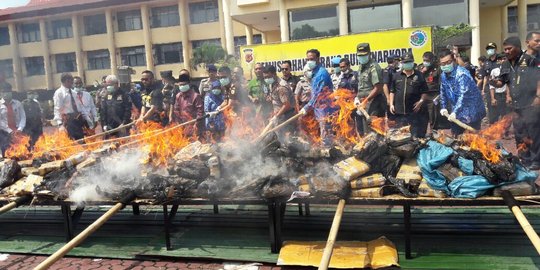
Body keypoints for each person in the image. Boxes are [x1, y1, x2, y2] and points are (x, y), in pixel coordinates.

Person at [498, 36, 540, 170]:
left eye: (509, 48)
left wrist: (538, 96)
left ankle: (536, 160)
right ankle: (525, 159)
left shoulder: (530, 60)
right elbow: (504, 82)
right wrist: (498, 85)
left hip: (530, 103)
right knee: (520, 133)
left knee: (533, 132)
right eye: (505, 49)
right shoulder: (505, 64)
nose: (507, 51)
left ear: (517, 47)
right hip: (515, 105)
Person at [438, 49, 486, 136]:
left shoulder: (462, 74)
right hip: (456, 113)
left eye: (448, 62)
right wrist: (443, 107)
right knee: (456, 139)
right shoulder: (443, 75)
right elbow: (443, 92)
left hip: (471, 112)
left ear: (454, 60)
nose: (446, 65)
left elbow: (463, 96)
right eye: (443, 63)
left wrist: (455, 112)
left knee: (472, 140)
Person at [298, 49, 337, 147]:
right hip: (318, 109)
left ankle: (329, 158)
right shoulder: (314, 73)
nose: (309, 61)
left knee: (326, 137)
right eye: (307, 59)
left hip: (325, 109)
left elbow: (318, 94)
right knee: (319, 135)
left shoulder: (321, 74)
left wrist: (306, 107)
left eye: (312, 59)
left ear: (318, 59)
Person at [389, 53, 429, 138]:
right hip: (399, 112)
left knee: (415, 136)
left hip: (414, 112)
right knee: (401, 136)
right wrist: (391, 104)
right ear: (402, 63)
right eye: (405, 62)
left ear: (413, 62)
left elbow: (425, 91)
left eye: (409, 62)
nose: (407, 64)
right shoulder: (396, 76)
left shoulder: (419, 75)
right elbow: (392, 91)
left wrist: (420, 102)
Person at [354, 43, 385, 135]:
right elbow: (361, 85)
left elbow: (378, 88)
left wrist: (366, 101)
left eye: (363, 55)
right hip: (363, 104)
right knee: (364, 131)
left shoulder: (374, 67)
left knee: (373, 130)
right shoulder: (361, 67)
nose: (361, 57)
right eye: (359, 55)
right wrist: (357, 98)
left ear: (369, 54)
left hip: (374, 103)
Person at [263, 65, 295, 138]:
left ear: (274, 74)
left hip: (286, 115)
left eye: (268, 77)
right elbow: (277, 99)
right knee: (278, 137)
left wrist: (276, 116)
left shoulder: (281, 87)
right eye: (265, 77)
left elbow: (286, 105)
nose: (266, 79)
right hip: (279, 115)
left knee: (285, 137)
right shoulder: (272, 83)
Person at [53, 73, 86, 140]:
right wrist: (60, 124)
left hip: (77, 120)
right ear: (66, 81)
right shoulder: (59, 93)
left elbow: (79, 106)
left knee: (81, 140)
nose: (72, 83)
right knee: (71, 142)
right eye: (71, 81)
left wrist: (85, 118)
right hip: (68, 121)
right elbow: (57, 109)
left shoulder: (74, 92)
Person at [173, 73, 204, 139]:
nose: (182, 86)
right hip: (183, 125)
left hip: (194, 126)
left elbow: (200, 112)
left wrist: (196, 124)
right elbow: (176, 110)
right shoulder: (178, 96)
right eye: (180, 85)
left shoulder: (195, 96)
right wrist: (178, 123)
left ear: (189, 84)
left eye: (184, 84)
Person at [417, 51, 441, 131]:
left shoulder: (437, 68)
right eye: (424, 60)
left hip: (433, 95)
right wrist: (422, 72)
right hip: (422, 95)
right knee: (421, 116)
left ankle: (433, 132)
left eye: (427, 61)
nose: (425, 62)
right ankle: (421, 134)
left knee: (433, 115)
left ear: (432, 60)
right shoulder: (419, 67)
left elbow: (441, 82)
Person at [0, 87, 25, 156]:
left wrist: (20, 128)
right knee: (7, 151)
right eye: (3, 92)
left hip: (17, 130)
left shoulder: (18, 103)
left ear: (11, 93)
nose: (5, 94)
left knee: (20, 150)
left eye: (7, 92)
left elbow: (23, 117)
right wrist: (9, 131)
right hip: (4, 132)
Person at [488, 54, 510, 123]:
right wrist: (492, 98)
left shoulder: (509, 69)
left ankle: (505, 132)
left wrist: (508, 96)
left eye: (504, 59)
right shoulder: (494, 71)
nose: (503, 61)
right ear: (498, 61)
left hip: (505, 95)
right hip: (497, 95)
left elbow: (508, 84)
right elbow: (491, 86)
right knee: (494, 117)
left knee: (505, 116)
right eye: (501, 59)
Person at [482, 42, 500, 124]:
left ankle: (505, 131)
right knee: (491, 110)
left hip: (501, 88)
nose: (489, 50)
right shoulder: (486, 62)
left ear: (496, 49)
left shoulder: (501, 59)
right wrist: (483, 89)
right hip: (489, 89)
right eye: (488, 49)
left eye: (491, 48)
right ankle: (493, 127)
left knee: (503, 110)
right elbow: (485, 76)